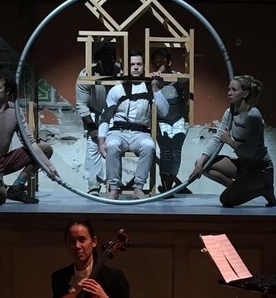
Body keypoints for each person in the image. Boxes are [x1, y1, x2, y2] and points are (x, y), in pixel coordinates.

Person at [0, 73, 59, 204]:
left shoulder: (15, 111)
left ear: (8, 91)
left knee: (46, 149)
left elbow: (29, 142)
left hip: (3, 162)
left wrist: (49, 166)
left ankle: (16, 188)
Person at [188, 75, 276, 207]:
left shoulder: (253, 115)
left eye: (234, 90)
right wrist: (200, 163)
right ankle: (237, 187)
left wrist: (230, 141)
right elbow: (218, 137)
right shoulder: (230, 112)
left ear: (245, 93)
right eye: (228, 89)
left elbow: (251, 151)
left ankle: (264, 189)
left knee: (226, 201)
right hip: (243, 165)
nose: (229, 93)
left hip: (260, 168)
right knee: (204, 165)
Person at [97, 50, 169, 199]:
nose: (136, 67)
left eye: (139, 64)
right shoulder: (117, 89)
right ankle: (114, 188)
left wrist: (156, 90)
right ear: (126, 67)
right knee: (112, 145)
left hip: (140, 133)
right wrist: (101, 139)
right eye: (132, 64)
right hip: (118, 131)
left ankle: (138, 187)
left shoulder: (150, 88)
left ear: (143, 66)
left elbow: (165, 112)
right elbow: (105, 117)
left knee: (149, 146)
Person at [75, 41, 122, 195]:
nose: (109, 65)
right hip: (94, 113)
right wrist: (93, 129)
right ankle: (93, 185)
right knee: (93, 145)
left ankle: (113, 184)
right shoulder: (85, 75)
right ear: (97, 61)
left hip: (115, 113)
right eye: (105, 61)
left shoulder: (119, 72)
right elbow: (81, 105)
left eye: (112, 60)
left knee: (114, 146)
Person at [149, 47, 192, 195]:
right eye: (156, 62)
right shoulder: (153, 78)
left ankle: (170, 183)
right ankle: (165, 187)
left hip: (178, 118)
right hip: (162, 120)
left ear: (169, 62)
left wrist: (187, 119)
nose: (159, 65)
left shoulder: (177, 77)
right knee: (166, 152)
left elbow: (186, 96)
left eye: (162, 61)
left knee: (176, 152)